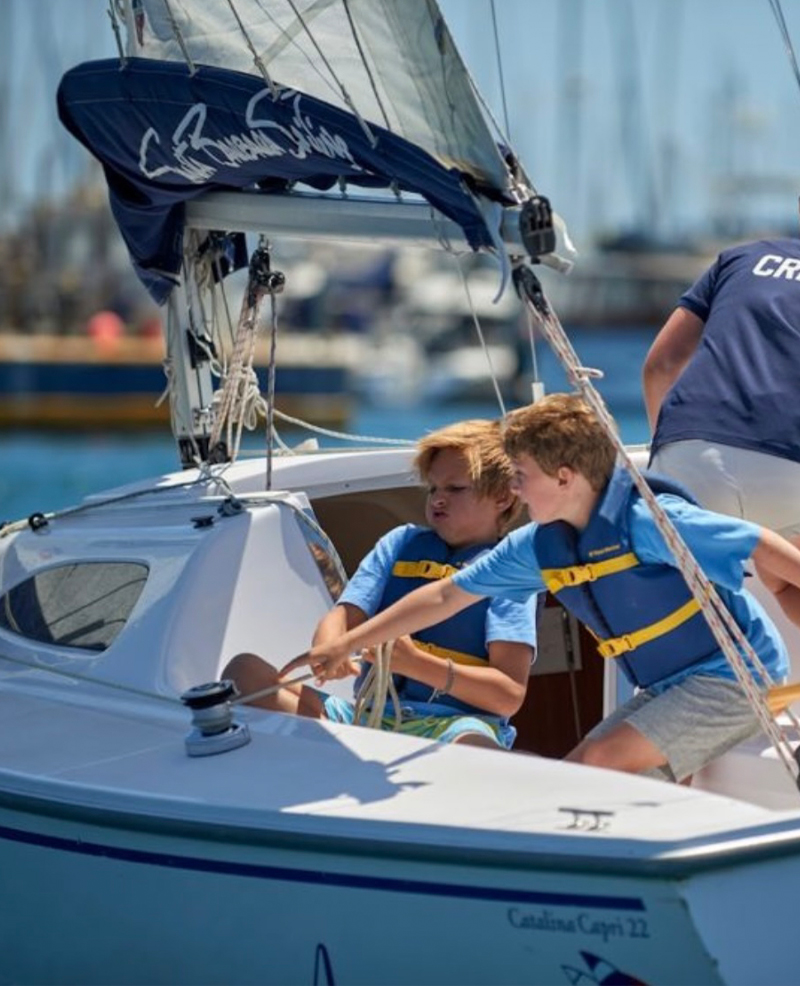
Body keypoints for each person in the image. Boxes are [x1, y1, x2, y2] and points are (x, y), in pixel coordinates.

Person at [282, 394, 800, 783]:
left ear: (564, 478)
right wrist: (348, 643)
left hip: (737, 675)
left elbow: (760, 543)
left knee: (597, 763)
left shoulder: (648, 521)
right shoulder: (536, 546)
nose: (513, 489)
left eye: (521, 475)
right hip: (671, 685)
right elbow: (444, 596)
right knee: (571, 777)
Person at [222, 419, 537, 750]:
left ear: (503, 497)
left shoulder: (509, 575)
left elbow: (508, 696)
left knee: (474, 745)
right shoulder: (398, 544)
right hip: (366, 718)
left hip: (453, 727)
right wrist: (328, 646)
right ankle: (347, 757)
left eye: (455, 489)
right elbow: (343, 617)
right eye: (433, 489)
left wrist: (417, 665)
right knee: (243, 674)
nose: (438, 500)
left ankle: (343, 759)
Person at [643, 227, 800, 539]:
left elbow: (661, 366)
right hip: (790, 469)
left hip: (692, 456)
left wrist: (668, 448)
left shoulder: (742, 257)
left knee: (681, 568)